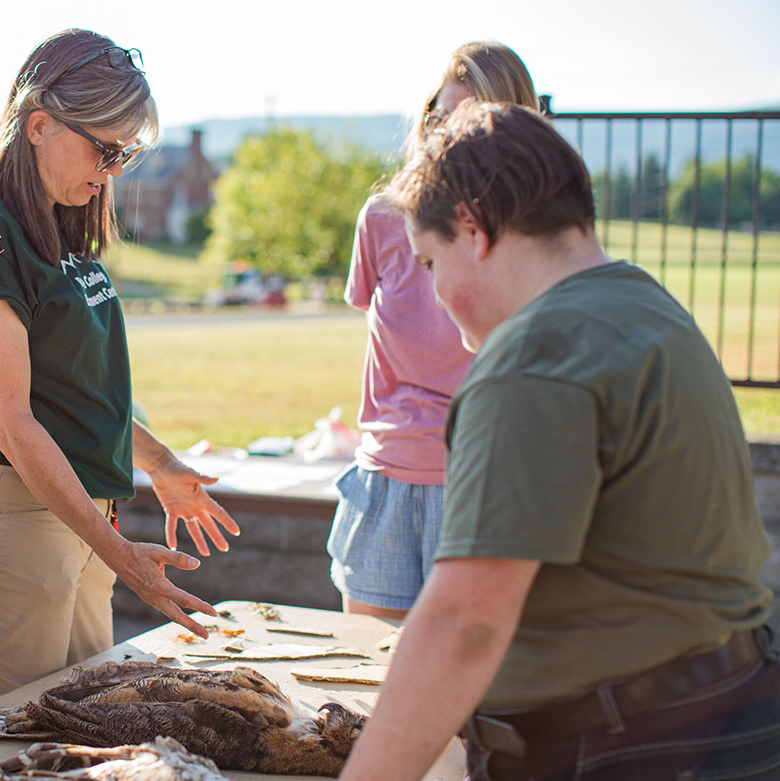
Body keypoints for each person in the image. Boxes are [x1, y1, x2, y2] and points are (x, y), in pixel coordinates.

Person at [341, 101, 780, 780]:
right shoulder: (649, 307)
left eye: (429, 264)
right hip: (725, 714)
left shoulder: (532, 358)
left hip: (624, 747)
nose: (436, 292)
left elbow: (466, 622)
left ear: (471, 226)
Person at [0, 28, 240, 699]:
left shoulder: (59, 216)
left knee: (84, 741)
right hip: (11, 511)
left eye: (126, 151)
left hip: (70, 516)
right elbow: (7, 419)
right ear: (39, 125)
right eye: (105, 147)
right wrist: (124, 557)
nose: (116, 169)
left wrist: (159, 462)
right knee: (9, 749)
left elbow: (71, 392)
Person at [328, 42, 540, 620]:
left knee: (477, 693)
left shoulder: (534, 234)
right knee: (365, 683)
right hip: (386, 484)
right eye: (437, 117)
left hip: (483, 484)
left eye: (467, 123)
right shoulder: (381, 219)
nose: (444, 136)